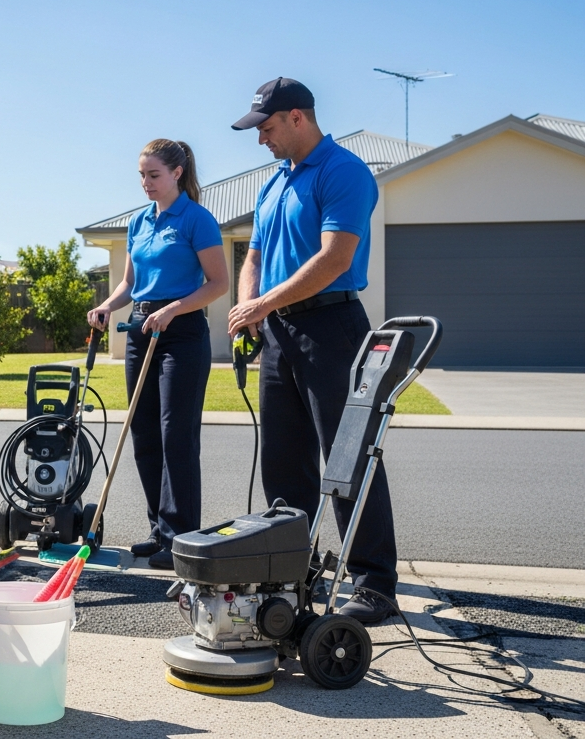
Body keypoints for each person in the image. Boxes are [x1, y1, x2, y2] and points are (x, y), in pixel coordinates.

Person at [226, 77, 398, 624]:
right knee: (283, 461)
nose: (262, 140)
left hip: (333, 326)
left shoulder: (343, 172)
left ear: (297, 117)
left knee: (346, 456)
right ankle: (289, 570)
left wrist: (259, 306)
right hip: (277, 330)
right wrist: (247, 309)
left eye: (268, 128)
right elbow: (252, 255)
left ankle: (374, 581)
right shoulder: (275, 181)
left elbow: (334, 259)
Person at [87, 140, 228, 569]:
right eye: (142, 176)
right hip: (140, 330)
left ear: (177, 172)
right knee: (144, 434)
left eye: (154, 175)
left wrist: (174, 308)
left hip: (181, 333)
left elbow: (218, 282)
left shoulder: (197, 219)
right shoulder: (139, 222)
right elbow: (129, 282)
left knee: (175, 436)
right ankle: (159, 530)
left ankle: (180, 537)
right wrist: (109, 306)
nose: (146, 183)